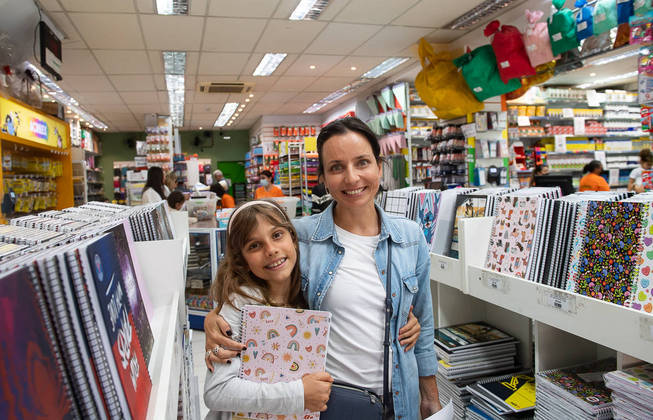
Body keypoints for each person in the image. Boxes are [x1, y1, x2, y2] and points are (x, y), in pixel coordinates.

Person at [205, 117, 440, 419]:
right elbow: (253, 277)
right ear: (325, 178)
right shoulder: (300, 236)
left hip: (400, 400)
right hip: (330, 403)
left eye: (362, 162)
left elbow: (424, 320)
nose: (352, 178)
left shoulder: (409, 237)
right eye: (337, 167)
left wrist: (430, 398)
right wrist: (217, 315)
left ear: (379, 167)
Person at [204, 201, 334, 419]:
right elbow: (216, 391)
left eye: (277, 235)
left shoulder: (312, 293)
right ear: (242, 261)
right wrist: (299, 394)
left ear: (293, 238)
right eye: (254, 246)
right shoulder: (241, 304)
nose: (271, 250)